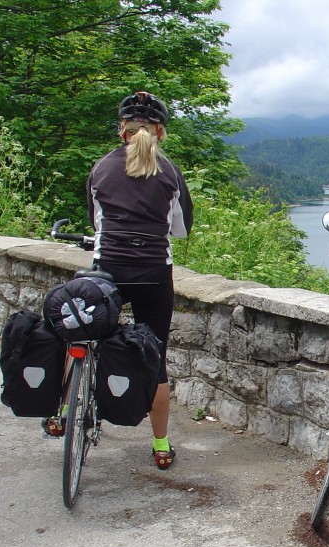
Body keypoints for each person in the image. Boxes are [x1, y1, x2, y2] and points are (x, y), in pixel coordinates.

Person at [84, 91, 193, 469]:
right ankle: (161, 444)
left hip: (108, 270)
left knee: (82, 335)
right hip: (153, 275)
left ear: (122, 131)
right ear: (159, 132)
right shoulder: (171, 173)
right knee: (154, 358)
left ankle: (66, 411)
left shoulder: (100, 169)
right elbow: (180, 230)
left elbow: (96, 224)